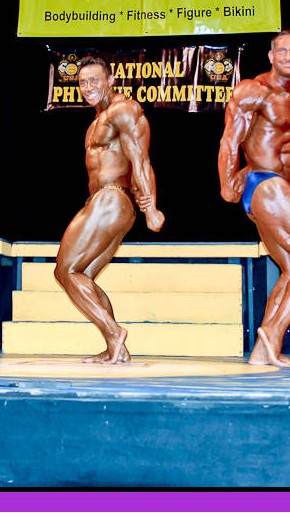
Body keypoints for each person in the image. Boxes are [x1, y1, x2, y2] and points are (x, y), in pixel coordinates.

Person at [218, 30, 290, 367]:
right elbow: (230, 139)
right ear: (271, 56)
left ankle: (261, 353)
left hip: (274, 187)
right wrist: (227, 182)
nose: (288, 56)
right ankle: (273, 332)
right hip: (265, 187)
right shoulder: (253, 90)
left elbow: (280, 142)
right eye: (281, 51)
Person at [54, 56, 165, 365]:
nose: (88, 87)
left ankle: (114, 333)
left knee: (65, 271)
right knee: (83, 276)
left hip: (112, 198)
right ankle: (117, 349)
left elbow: (141, 159)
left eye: (94, 80)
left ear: (111, 80)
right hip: (108, 201)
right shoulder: (98, 120)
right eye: (82, 82)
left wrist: (151, 207)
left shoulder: (123, 110)